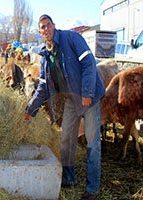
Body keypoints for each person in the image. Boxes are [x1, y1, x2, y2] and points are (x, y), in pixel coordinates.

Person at [24, 14, 105, 200]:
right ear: (40, 32)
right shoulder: (45, 54)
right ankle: (69, 178)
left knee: (93, 143)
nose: (46, 29)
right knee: (66, 139)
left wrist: (87, 93)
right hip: (71, 99)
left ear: (54, 25)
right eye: (42, 27)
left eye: (48, 25)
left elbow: (89, 64)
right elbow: (43, 88)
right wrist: (30, 109)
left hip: (89, 95)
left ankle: (92, 189)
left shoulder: (71, 38)